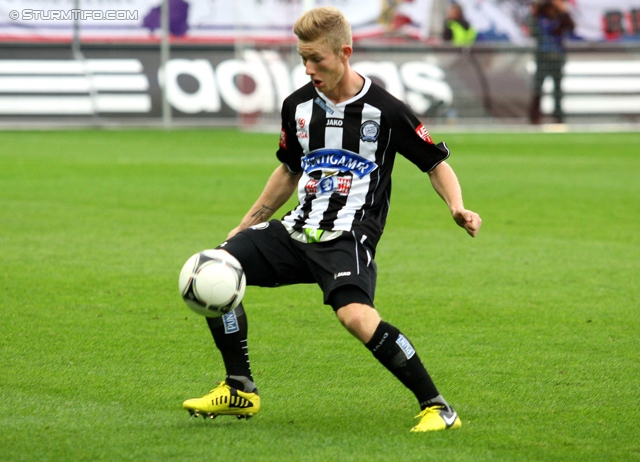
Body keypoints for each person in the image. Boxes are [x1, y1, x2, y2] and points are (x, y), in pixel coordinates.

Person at [182, 6, 482, 433]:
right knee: (215, 265)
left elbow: (435, 163)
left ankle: (437, 406)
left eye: (316, 59)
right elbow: (288, 169)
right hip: (296, 228)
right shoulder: (298, 106)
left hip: (348, 237)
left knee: (356, 317)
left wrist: (456, 206)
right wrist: (246, 224)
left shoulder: (386, 110)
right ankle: (239, 388)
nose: (308, 68)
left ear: (344, 52)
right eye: (302, 58)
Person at [529, 0, 574, 124]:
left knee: (558, 88)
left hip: (557, 56)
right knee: (538, 88)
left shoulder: (560, 18)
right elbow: (533, 31)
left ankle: (558, 116)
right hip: (542, 56)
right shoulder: (540, 17)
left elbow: (571, 27)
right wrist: (537, 10)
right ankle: (534, 116)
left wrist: (563, 10)